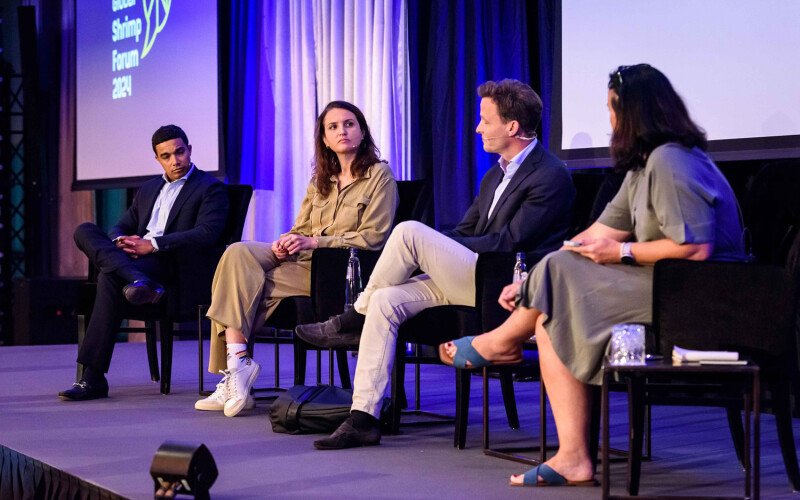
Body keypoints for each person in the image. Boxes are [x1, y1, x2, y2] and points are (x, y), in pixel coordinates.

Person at [440, 64, 745, 487]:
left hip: (702, 295)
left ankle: (501, 342)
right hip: (665, 285)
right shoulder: (642, 167)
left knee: (560, 275)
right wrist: (530, 284)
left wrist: (620, 252)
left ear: (635, 112)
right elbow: (594, 234)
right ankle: (574, 458)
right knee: (550, 305)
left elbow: (695, 248)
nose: (609, 120)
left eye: (612, 110)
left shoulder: (671, 159)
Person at [296, 79, 576, 449]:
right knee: (385, 300)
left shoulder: (550, 174)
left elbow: (510, 243)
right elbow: (465, 229)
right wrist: (439, 253)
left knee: (410, 232)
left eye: (484, 121)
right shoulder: (496, 173)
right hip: (471, 274)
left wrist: (438, 248)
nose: (477, 128)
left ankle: (353, 318)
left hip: (504, 283)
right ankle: (363, 417)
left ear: (511, 127)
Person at [195, 101, 398, 417]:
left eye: (349, 124)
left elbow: (374, 237)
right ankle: (238, 365)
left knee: (244, 285)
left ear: (361, 131)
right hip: (302, 262)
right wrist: (285, 244)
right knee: (236, 253)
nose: (342, 131)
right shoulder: (320, 180)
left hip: (339, 272)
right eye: (333, 127)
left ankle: (236, 372)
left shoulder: (379, 175)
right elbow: (299, 229)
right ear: (324, 139)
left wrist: (314, 241)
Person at [60, 125, 229, 401]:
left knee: (109, 277)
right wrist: (120, 242)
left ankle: (91, 378)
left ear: (189, 149)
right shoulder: (149, 189)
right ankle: (136, 279)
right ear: (157, 158)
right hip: (136, 260)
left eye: (180, 152)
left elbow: (207, 234)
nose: (175, 160)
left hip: (170, 264)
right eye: (166, 156)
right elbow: (120, 226)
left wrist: (153, 245)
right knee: (85, 229)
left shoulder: (209, 188)